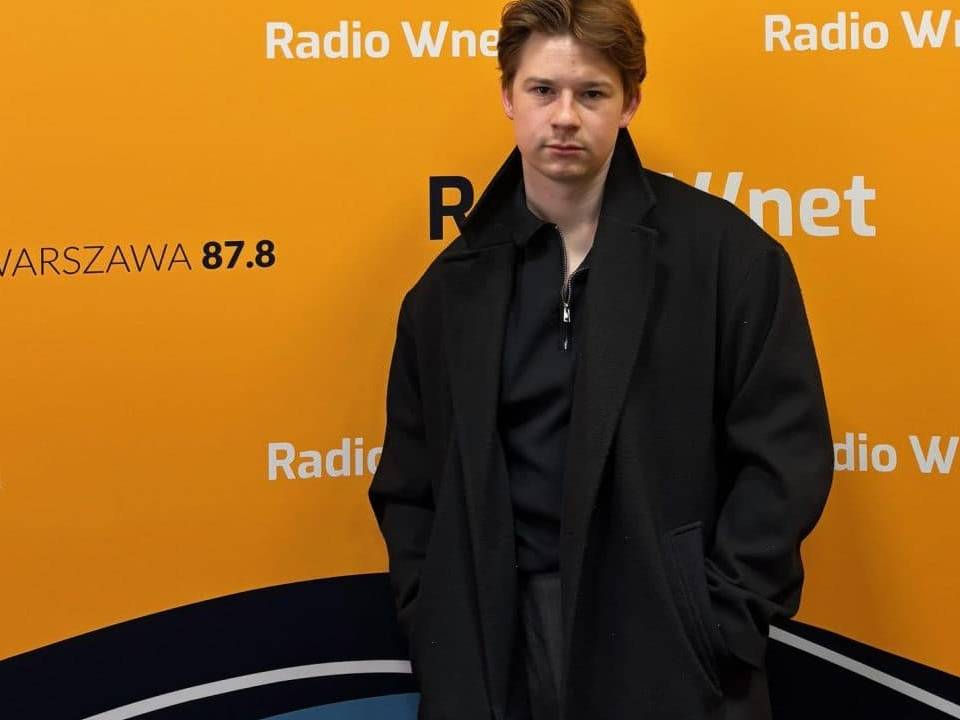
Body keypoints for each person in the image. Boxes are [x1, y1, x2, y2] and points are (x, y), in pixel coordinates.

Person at [368, 0, 834, 718]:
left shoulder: (727, 258)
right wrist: (437, 624)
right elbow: (409, 485)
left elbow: (785, 459)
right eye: (542, 90)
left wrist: (714, 623)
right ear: (508, 96)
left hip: (671, 657)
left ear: (629, 103)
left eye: (591, 93)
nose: (564, 116)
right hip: (493, 655)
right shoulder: (446, 292)